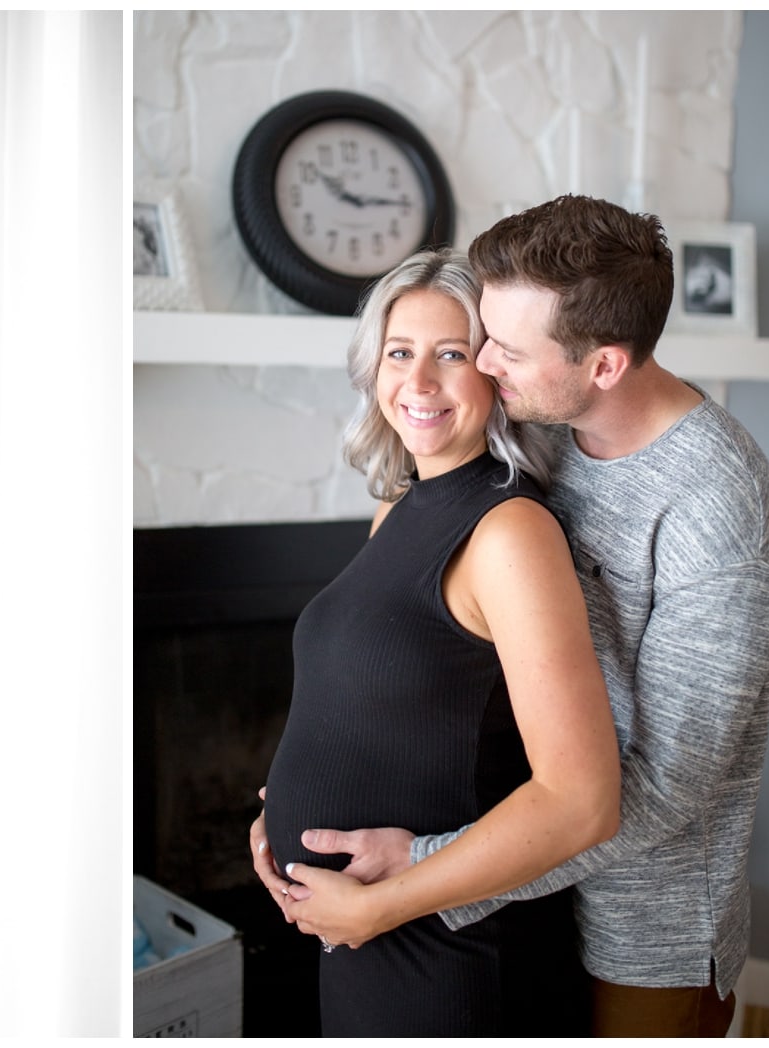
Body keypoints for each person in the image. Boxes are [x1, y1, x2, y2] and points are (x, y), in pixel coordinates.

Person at [258, 195, 769, 1037]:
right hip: (510, 894)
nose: (485, 363)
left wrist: (418, 874)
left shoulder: (720, 511)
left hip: (636, 935)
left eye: (501, 349)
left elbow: (660, 789)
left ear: (604, 365)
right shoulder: (554, 435)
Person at [254, 248, 621, 1036]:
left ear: (495, 372)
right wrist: (276, 814)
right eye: (399, 352)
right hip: (365, 938)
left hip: (451, 952)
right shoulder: (399, 507)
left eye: (450, 354)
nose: (418, 383)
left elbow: (582, 801)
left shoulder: (510, 532)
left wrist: (383, 902)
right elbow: (369, 702)